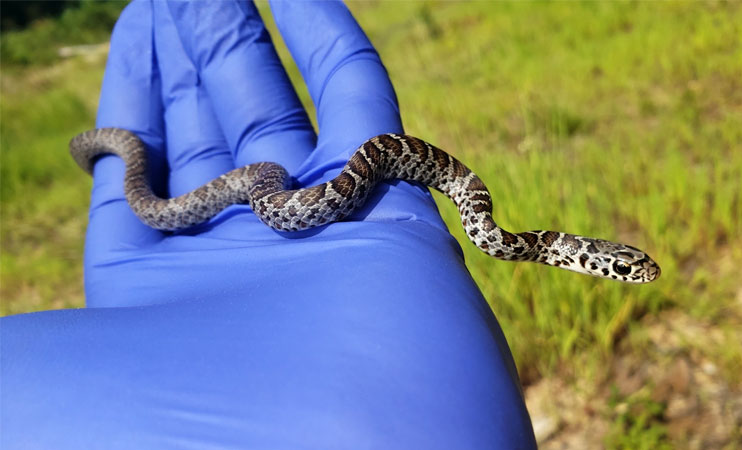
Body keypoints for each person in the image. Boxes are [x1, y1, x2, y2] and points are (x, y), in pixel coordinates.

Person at [0, 1, 536, 448]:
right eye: (623, 266)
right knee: (162, 197)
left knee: (248, 181)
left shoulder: (481, 211)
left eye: (622, 266)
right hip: (258, 184)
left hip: (270, 183)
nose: (622, 269)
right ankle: (108, 147)